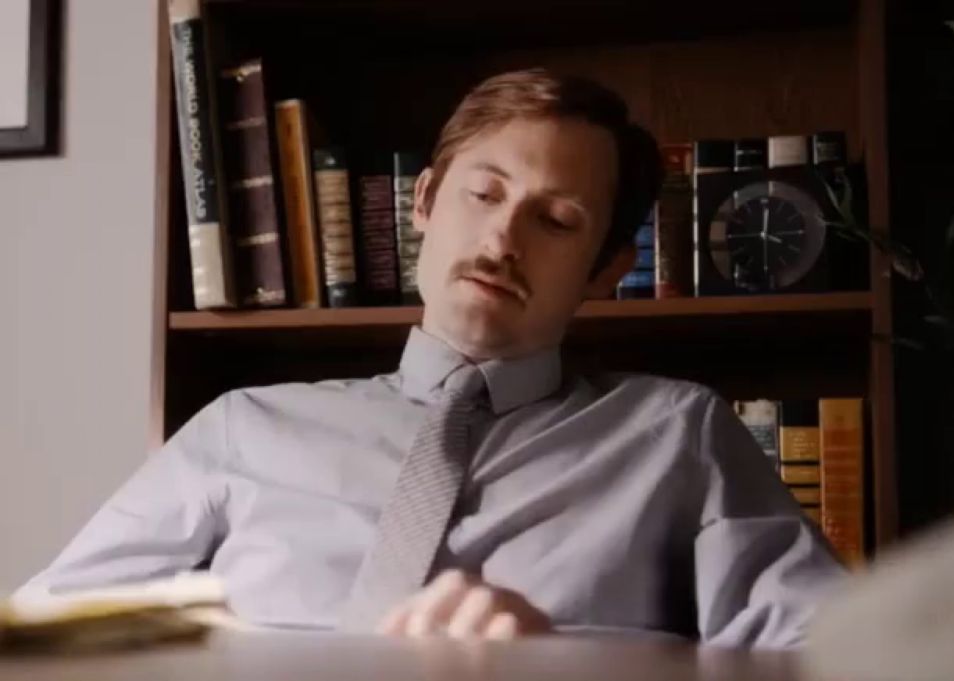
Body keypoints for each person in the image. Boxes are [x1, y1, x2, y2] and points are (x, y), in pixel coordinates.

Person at [15, 69, 844, 646]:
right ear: (423, 202)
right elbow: (46, 637)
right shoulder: (243, 428)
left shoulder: (677, 434)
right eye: (483, 193)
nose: (501, 238)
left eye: (554, 220)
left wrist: (565, 661)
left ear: (606, 270)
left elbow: (828, 651)